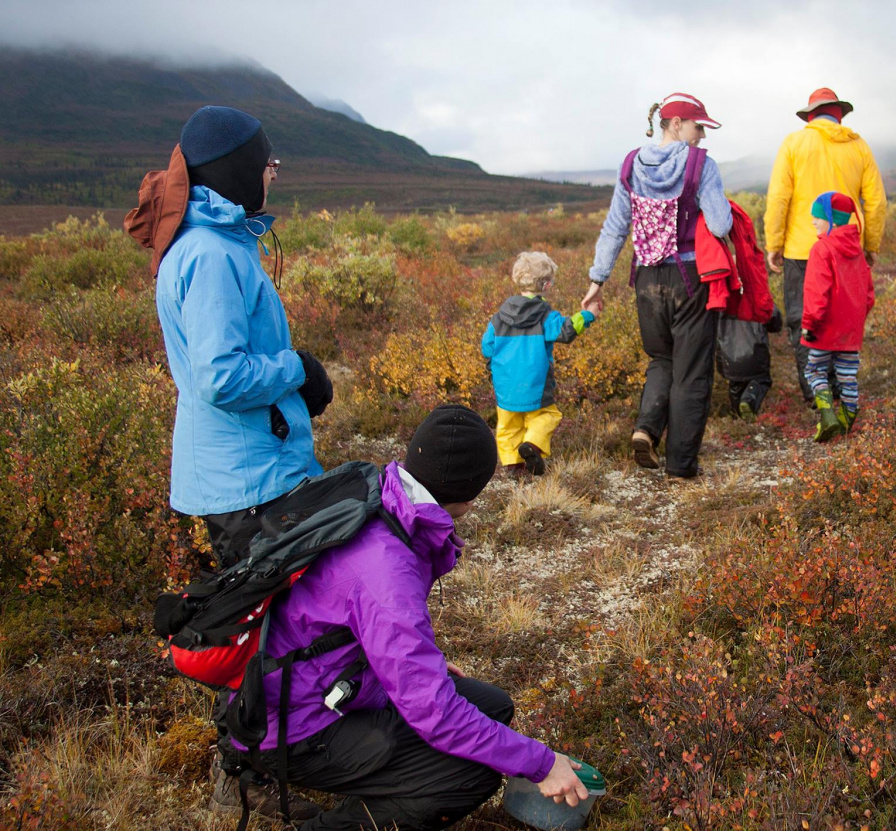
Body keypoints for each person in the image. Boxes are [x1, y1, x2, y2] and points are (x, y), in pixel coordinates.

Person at [126, 104, 334, 821]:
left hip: (239, 469)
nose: (274, 173)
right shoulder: (212, 254)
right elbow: (219, 376)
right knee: (262, 630)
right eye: (268, 162)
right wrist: (296, 370)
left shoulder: (209, 241)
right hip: (249, 478)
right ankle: (244, 777)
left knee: (262, 621)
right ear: (238, 169)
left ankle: (265, 761)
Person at [239, 404, 590, 829]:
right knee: (470, 777)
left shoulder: (382, 498)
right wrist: (542, 763)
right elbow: (434, 713)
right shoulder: (387, 566)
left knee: (492, 706)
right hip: (290, 726)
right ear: (470, 491)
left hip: (314, 684)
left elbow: (349, 624)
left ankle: (384, 777)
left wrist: (426, 665)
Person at [583, 92, 732, 479]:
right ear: (677, 124)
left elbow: (616, 226)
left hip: (647, 282)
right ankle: (681, 465)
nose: (702, 136)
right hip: (690, 279)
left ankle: (646, 429)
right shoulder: (703, 165)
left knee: (661, 360)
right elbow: (720, 225)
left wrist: (597, 279)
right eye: (699, 127)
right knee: (692, 371)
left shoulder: (631, 164)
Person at [763, 87, 886, 404]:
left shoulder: (794, 143)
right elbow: (875, 202)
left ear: (811, 116)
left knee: (804, 319)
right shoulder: (859, 147)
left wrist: (774, 243)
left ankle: (817, 394)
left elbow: (778, 198)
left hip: (801, 250)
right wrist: (870, 244)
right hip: (847, 249)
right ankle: (841, 388)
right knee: (841, 316)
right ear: (839, 115)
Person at [481, 252, 599, 476]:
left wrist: (492, 369)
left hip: (505, 385)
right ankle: (533, 445)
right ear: (545, 285)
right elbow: (567, 330)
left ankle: (514, 467)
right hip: (536, 384)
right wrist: (588, 314)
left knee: (507, 427)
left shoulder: (498, 317)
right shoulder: (545, 315)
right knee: (547, 416)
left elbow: (487, 346)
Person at [799, 192, 875, 442]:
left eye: (818, 217)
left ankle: (828, 415)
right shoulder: (858, 250)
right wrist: (855, 319)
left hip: (823, 328)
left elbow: (816, 293)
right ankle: (848, 417)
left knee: (815, 370)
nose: (813, 222)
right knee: (847, 374)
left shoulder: (822, 249)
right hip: (850, 331)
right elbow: (869, 295)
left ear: (832, 220)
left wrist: (809, 324)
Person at [716, 305, 784, 420]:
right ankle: (748, 400)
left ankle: (737, 421)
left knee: (735, 385)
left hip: (728, 355)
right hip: (755, 352)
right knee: (762, 380)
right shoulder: (758, 292)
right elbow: (775, 321)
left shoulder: (720, 293)